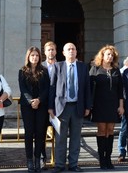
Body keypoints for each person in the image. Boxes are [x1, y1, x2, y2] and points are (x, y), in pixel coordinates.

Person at [48, 43, 92, 173]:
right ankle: (59, 165)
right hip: (62, 107)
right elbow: (52, 88)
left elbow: (87, 88)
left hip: (78, 107)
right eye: (69, 49)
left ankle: (73, 164)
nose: (71, 51)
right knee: (60, 138)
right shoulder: (58, 66)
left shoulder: (83, 67)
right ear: (63, 52)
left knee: (75, 137)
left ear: (76, 52)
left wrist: (88, 106)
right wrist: (50, 107)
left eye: (73, 49)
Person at [90, 45, 124, 170]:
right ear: (102, 56)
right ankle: (102, 159)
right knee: (101, 130)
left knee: (110, 130)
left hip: (113, 104)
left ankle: (108, 158)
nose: (110, 56)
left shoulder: (116, 70)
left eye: (112, 55)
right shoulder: (95, 68)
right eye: (108, 54)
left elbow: (120, 89)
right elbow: (89, 86)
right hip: (99, 104)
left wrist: (121, 106)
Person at [19, 47, 50, 172]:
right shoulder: (22, 71)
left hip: (41, 106)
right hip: (27, 106)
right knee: (29, 133)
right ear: (28, 56)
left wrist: (39, 100)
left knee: (40, 133)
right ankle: (29, 161)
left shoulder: (44, 71)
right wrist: (31, 101)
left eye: (37, 55)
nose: (35, 57)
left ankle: (38, 160)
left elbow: (47, 88)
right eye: (32, 55)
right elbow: (23, 89)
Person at [40, 41, 58, 170]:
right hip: (43, 105)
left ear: (56, 51)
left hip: (58, 106)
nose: (51, 52)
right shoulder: (40, 67)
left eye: (52, 49)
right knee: (41, 134)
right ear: (44, 52)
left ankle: (58, 159)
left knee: (59, 134)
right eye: (48, 50)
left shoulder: (62, 66)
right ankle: (42, 159)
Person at [117, 56, 128, 162]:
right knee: (124, 129)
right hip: (125, 103)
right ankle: (122, 151)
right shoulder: (122, 74)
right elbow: (120, 91)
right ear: (127, 65)